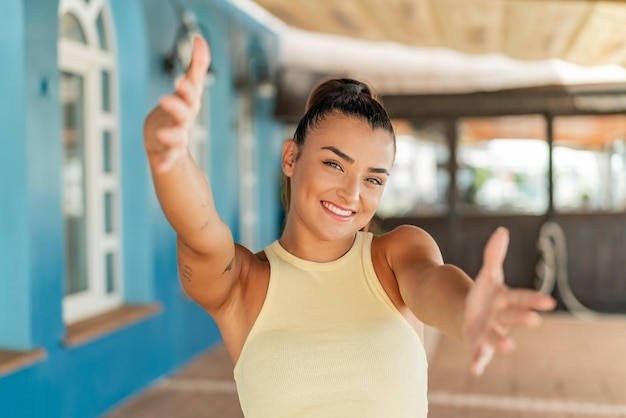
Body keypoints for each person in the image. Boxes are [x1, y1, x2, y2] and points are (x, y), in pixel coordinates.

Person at [143, 36, 556, 417]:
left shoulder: (394, 256)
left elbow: (432, 284)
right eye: (334, 164)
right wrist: (171, 154)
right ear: (290, 158)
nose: (351, 192)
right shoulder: (244, 284)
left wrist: (468, 309)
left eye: (374, 178)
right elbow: (201, 232)